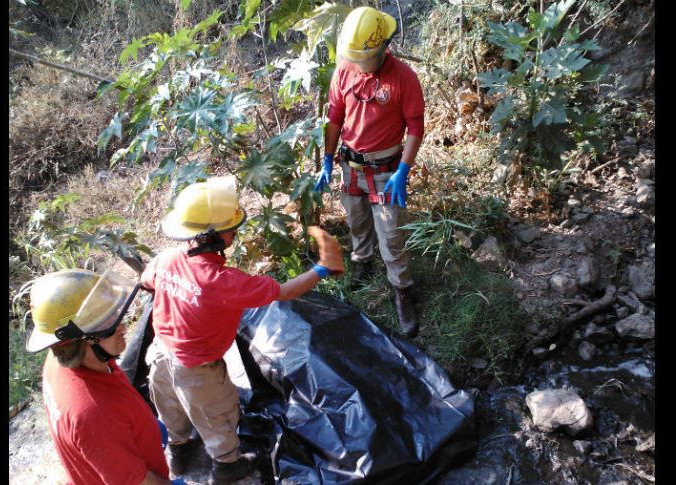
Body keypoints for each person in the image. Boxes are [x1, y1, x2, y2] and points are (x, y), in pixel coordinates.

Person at [139, 175, 344, 482]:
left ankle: (178, 452)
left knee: (171, 408)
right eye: (231, 229)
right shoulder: (224, 282)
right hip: (198, 369)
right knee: (217, 415)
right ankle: (226, 465)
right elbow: (284, 291)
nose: (234, 232)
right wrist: (322, 267)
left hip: (160, 354)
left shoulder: (166, 259)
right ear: (214, 237)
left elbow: (146, 282)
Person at [314, 6, 425, 338]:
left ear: (383, 48)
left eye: (364, 59)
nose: (358, 65)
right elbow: (335, 116)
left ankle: (402, 289)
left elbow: (415, 127)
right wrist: (327, 159)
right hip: (351, 165)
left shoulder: (403, 77)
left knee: (390, 234)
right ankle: (362, 261)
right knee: (356, 220)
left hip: (385, 169)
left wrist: (403, 170)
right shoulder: (344, 71)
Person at [25, 268, 185, 485]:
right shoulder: (92, 413)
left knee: (158, 430)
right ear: (81, 340)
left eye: (112, 314)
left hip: (114, 445)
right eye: (107, 324)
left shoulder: (64, 360)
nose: (122, 327)